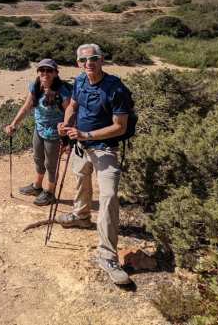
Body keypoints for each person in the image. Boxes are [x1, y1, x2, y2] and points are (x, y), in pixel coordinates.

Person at [56, 43, 132, 286]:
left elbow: (120, 126)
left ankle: (107, 255)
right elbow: (74, 106)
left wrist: (87, 136)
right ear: (78, 63)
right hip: (81, 145)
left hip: (104, 148)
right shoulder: (79, 82)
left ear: (102, 60)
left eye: (94, 58)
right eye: (83, 60)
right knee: (80, 178)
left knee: (109, 195)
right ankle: (81, 215)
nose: (88, 63)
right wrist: (66, 124)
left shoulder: (116, 88)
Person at [5, 59, 72, 206]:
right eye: (42, 70)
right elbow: (26, 106)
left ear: (55, 73)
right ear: (38, 72)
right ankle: (37, 186)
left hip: (55, 134)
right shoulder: (35, 86)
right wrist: (14, 124)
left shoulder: (62, 91)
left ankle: (50, 193)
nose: (45, 73)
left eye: (49, 71)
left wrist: (67, 134)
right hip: (39, 129)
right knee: (38, 158)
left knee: (51, 164)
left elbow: (70, 111)